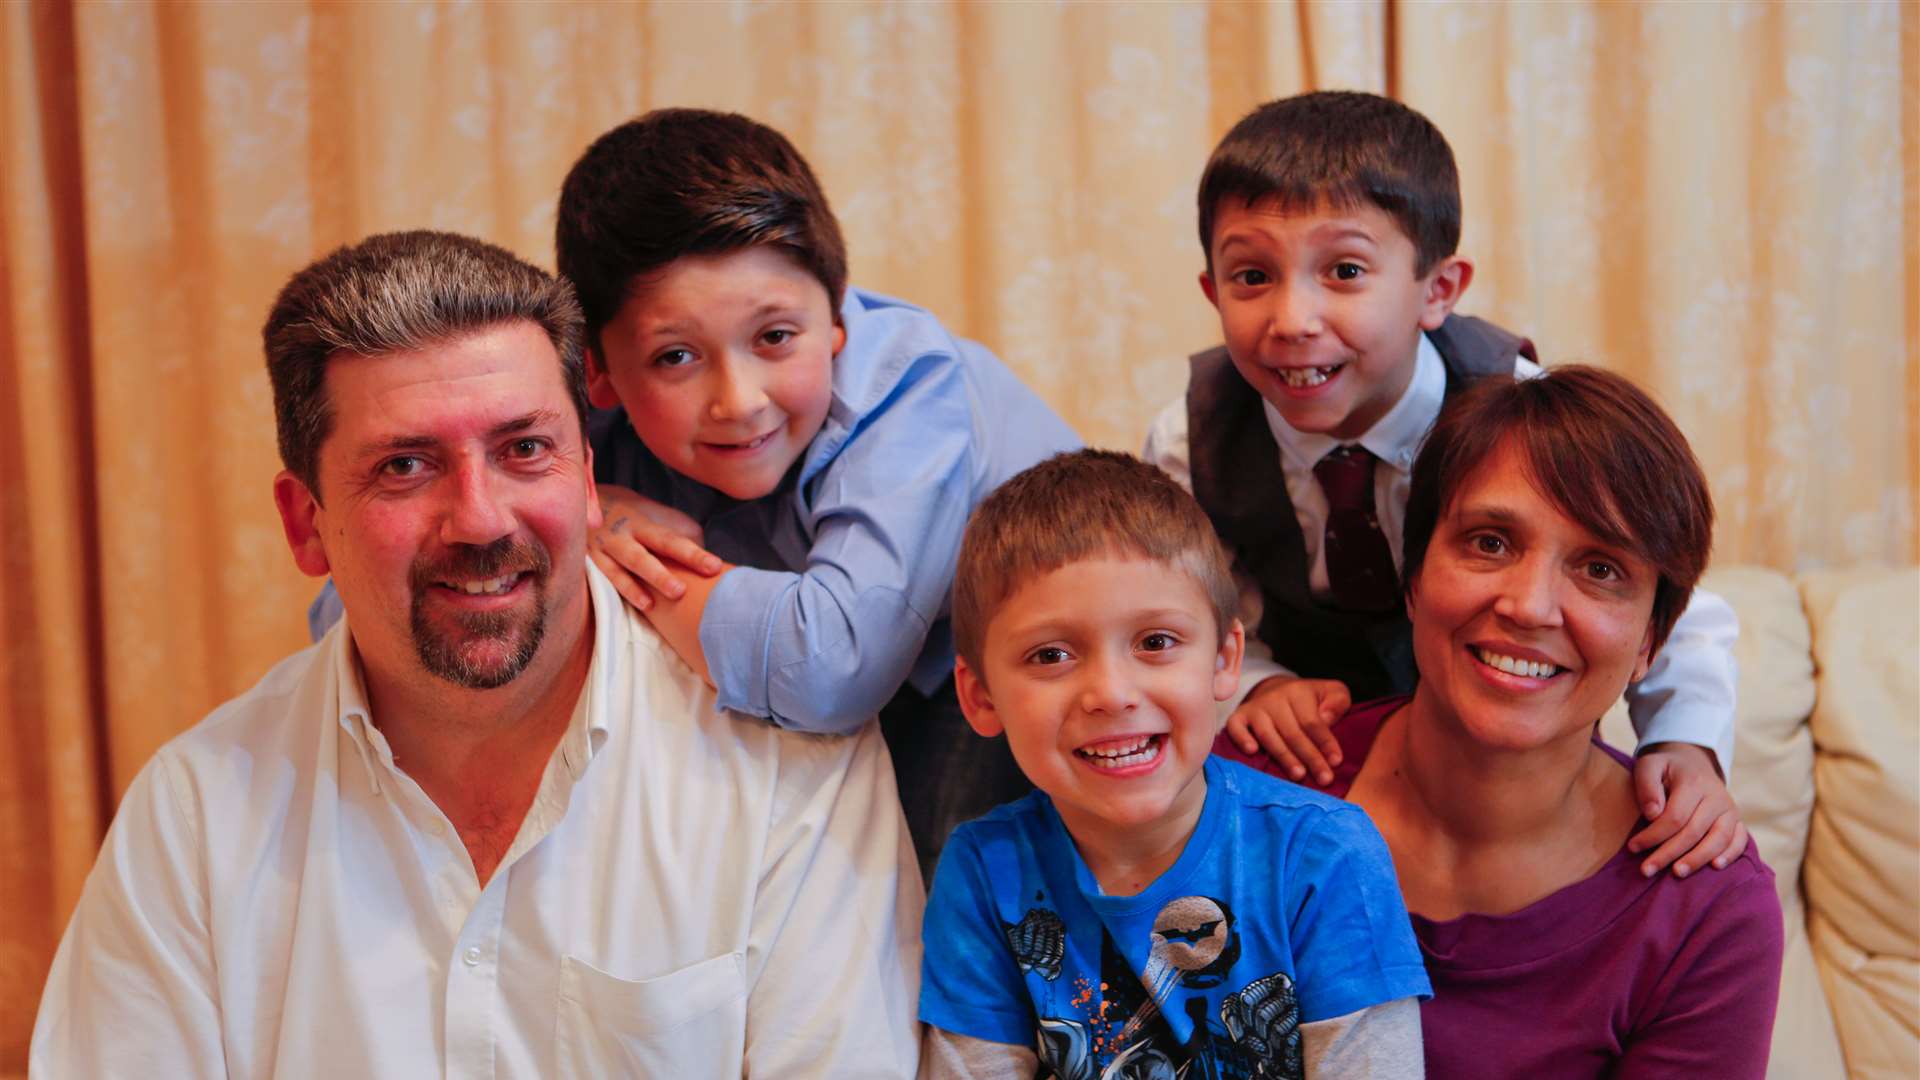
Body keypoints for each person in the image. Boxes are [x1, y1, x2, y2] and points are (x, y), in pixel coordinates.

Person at [31, 231, 922, 1077]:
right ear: (308, 525)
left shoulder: (792, 775)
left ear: (585, 479)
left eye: (524, 449)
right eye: (406, 467)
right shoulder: (196, 814)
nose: (482, 519)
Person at [314, 109, 1082, 882]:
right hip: (835, 675)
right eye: (676, 356)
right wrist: (597, 508)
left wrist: (603, 544)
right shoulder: (583, 424)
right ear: (598, 375)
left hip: (1006, 667)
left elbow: (834, 665)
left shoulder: (911, 389)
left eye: (776, 337)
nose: (738, 401)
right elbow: (352, 615)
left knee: (935, 878)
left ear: (838, 317)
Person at [1144, 90, 1747, 880]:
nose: (1292, 318)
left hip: (1502, 735)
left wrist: (1684, 744)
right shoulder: (1192, 440)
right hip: (1312, 758)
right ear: (1212, 291)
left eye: (1346, 271)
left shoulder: (1519, 415)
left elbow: (1664, 605)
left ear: (1439, 290)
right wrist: (1254, 684)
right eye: (1252, 276)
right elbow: (1186, 612)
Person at [1220, 366, 1784, 1076]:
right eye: (1490, 542)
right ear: (1414, 579)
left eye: (1601, 568)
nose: (1530, 606)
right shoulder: (1246, 793)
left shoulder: (1705, 911)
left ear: (1650, 643)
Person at [919, 449, 1430, 1079]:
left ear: (1224, 660)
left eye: (1155, 643)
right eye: (1051, 655)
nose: (1111, 693)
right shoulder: (982, 872)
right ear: (980, 696)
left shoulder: (1326, 855)